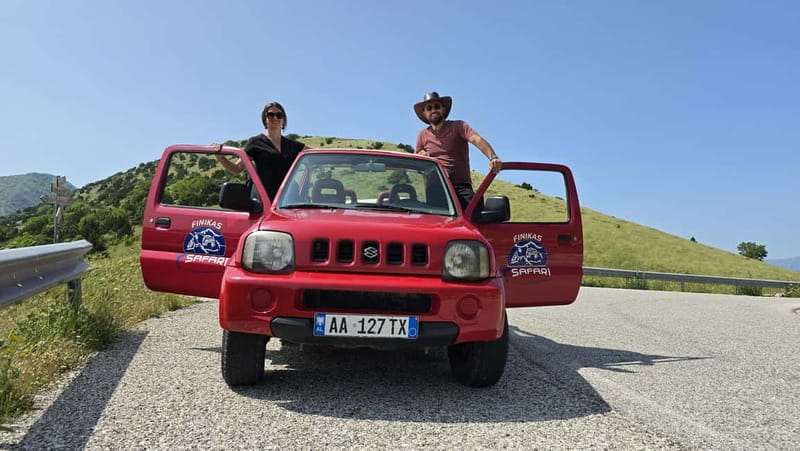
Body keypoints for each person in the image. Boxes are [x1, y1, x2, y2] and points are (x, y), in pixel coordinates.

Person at [413, 91, 502, 211]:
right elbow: (417, 159)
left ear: (443, 109)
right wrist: (421, 154)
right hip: (436, 188)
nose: (433, 110)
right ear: (424, 113)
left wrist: (493, 157)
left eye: (437, 106)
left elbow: (476, 139)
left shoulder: (458, 126)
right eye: (429, 108)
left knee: (476, 212)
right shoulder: (422, 135)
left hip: (460, 186)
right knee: (437, 223)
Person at [215, 101, 308, 200]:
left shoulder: (293, 145)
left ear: (283, 120)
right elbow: (237, 168)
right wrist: (220, 157)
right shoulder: (255, 143)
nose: (275, 118)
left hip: (289, 199)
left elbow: (319, 154)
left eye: (279, 115)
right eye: (271, 115)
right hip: (263, 200)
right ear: (265, 119)